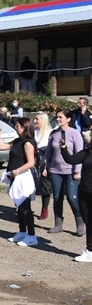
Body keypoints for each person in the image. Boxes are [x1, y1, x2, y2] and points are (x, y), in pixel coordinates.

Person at [42, 109, 85, 236]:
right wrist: (45, 167)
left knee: (72, 197)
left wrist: (77, 171)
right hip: (55, 170)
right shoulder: (54, 134)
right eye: (57, 117)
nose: (58, 119)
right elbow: (48, 152)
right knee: (57, 197)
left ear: (68, 119)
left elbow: (79, 154)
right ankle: (58, 223)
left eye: (60, 117)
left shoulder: (75, 133)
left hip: (71, 171)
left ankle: (80, 222)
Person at [0, 117, 39, 247]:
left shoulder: (28, 143)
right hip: (15, 177)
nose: (16, 128)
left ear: (24, 127)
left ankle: (31, 235)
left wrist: (17, 171)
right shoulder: (17, 141)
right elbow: (2, 147)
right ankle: (22, 231)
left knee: (26, 208)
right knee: (19, 207)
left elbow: (31, 162)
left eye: (18, 126)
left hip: (23, 177)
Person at [58, 133, 92, 262]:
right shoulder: (86, 152)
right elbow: (71, 160)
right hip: (84, 191)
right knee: (88, 221)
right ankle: (90, 251)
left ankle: (90, 250)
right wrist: (64, 148)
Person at [33, 112, 54, 221]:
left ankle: (44, 208)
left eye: (37, 119)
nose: (34, 121)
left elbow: (51, 153)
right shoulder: (34, 132)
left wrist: (46, 167)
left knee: (45, 185)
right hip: (34, 160)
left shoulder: (50, 133)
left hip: (45, 161)